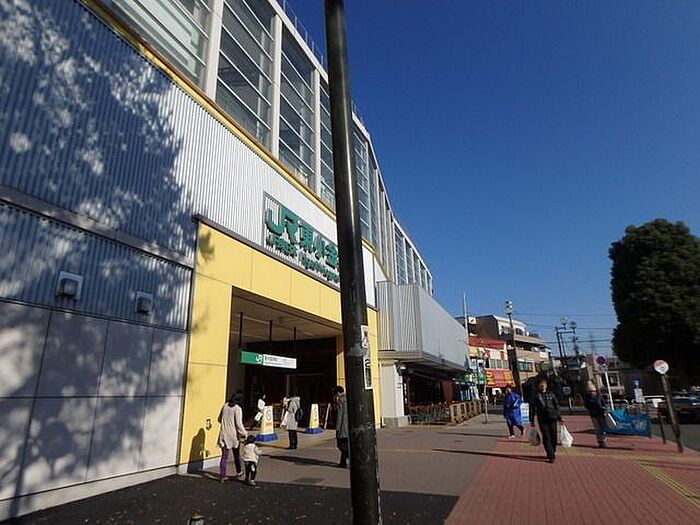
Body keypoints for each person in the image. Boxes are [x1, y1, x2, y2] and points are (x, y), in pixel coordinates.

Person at [530, 378, 563, 463]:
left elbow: (556, 406)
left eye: (544, 384)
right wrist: (531, 420)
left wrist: (560, 418)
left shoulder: (551, 394)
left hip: (552, 418)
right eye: (541, 384)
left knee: (554, 436)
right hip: (542, 419)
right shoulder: (536, 396)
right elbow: (532, 408)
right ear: (538, 386)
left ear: (546, 385)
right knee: (546, 436)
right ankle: (551, 455)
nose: (542, 385)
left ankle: (552, 451)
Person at [217, 392, 247, 482]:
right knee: (236, 455)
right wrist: (245, 433)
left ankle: (222, 476)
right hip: (233, 436)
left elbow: (219, 419)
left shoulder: (225, 406)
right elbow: (239, 424)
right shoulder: (237, 409)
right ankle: (239, 471)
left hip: (223, 434)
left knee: (224, 457)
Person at [583, 382, 607, 448]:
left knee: (602, 427)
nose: (592, 393)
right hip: (594, 415)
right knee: (597, 428)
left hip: (601, 413)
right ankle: (600, 441)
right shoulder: (587, 398)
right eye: (590, 391)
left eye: (593, 391)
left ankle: (603, 439)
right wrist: (592, 410)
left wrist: (603, 408)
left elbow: (603, 403)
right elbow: (586, 406)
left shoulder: (599, 396)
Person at [333, 385, 349, 468]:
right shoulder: (348, 399)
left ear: (338, 393)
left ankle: (345, 461)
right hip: (348, 427)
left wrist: (337, 428)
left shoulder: (340, 401)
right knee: (346, 445)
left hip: (342, 427)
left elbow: (339, 416)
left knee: (341, 445)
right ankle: (344, 462)